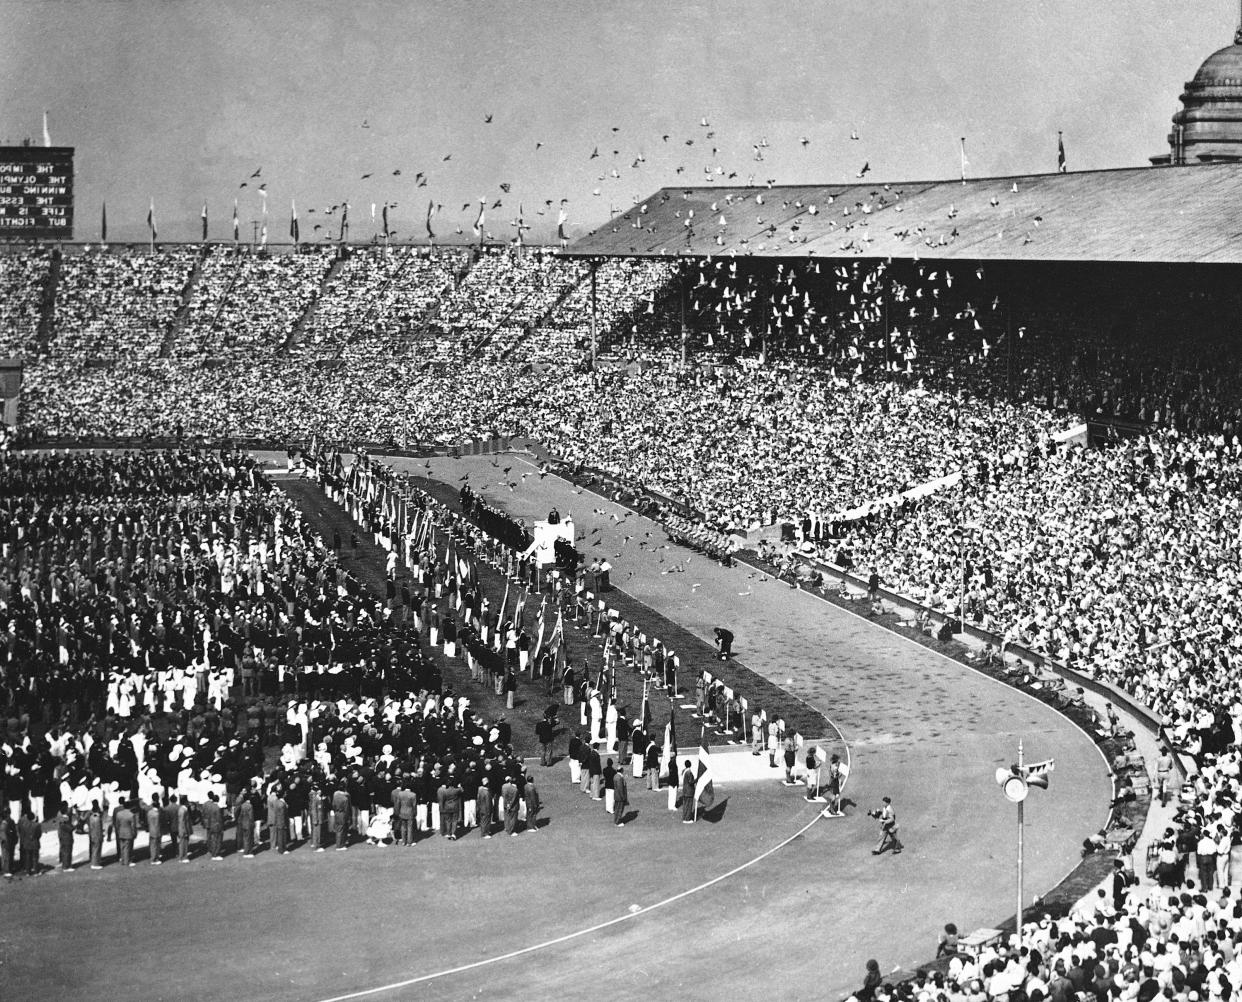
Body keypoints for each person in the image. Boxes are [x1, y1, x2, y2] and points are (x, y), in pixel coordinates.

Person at [113, 799, 138, 867]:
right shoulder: (131, 815)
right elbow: (133, 826)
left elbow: (117, 824)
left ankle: (123, 860)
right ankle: (127, 861)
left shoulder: (119, 814)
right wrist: (134, 833)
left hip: (121, 831)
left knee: (122, 847)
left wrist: (118, 831)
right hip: (128, 832)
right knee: (127, 847)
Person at [202, 792, 224, 860]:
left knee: (209, 836)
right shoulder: (216, 807)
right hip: (215, 824)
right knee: (216, 839)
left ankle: (209, 849)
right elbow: (219, 818)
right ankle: (214, 852)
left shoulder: (205, 804)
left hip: (208, 822)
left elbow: (203, 813)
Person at [18, 810, 41, 876]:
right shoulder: (37, 825)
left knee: (28, 858)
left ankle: (28, 872)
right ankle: (36, 871)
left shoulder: (24, 825)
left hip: (27, 843)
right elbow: (39, 834)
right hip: (34, 843)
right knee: (35, 858)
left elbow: (22, 833)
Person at [331, 780, 352, 850]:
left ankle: (340, 843)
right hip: (342, 814)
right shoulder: (345, 798)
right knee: (341, 829)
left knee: (338, 829)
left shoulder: (335, 796)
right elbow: (346, 809)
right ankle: (339, 845)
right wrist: (347, 817)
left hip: (336, 813)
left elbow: (333, 805)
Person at [55, 804, 75, 872]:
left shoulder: (61, 818)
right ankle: (66, 867)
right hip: (66, 838)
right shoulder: (64, 820)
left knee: (64, 852)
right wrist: (75, 825)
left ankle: (65, 864)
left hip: (63, 837)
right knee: (67, 852)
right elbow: (70, 828)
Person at [87, 801, 104, 869]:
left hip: (92, 835)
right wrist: (101, 837)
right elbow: (98, 829)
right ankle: (95, 864)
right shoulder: (97, 818)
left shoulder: (91, 816)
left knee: (94, 849)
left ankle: (95, 862)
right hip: (96, 835)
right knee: (97, 849)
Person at [147, 794, 163, 865]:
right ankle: (154, 859)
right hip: (156, 831)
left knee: (153, 845)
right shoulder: (157, 814)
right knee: (156, 845)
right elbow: (158, 824)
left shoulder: (149, 812)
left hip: (151, 829)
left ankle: (154, 857)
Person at [174, 796, 192, 863]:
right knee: (183, 843)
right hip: (183, 829)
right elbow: (182, 821)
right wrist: (184, 830)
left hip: (184, 828)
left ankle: (184, 855)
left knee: (185, 843)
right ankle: (182, 857)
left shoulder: (184, 809)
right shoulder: (182, 810)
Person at [680, 759, 697, 823]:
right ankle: (687, 819)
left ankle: (684, 817)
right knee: (689, 805)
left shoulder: (684, 771)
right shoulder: (689, 772)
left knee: (685, 805)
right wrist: (696, 779)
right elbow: (690, 782)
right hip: (689, 791)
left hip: (685, 790)